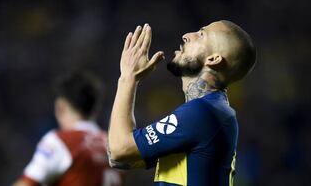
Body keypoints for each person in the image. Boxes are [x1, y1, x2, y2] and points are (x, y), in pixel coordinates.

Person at [107, 21, 256, 186]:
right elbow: (121, 160)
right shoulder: (214, 113)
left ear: (213, 59)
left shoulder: (203, 112)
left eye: (201, 35)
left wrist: (128, 78)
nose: (187, 36)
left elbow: (119, 149)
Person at [13, 71, 122, 186]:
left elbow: (26, 183)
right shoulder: (113, 145)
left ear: (61, 106)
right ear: (95, 109)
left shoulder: (60, 142)